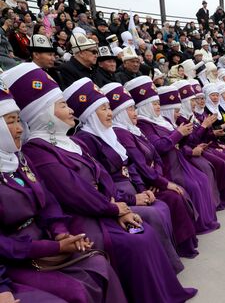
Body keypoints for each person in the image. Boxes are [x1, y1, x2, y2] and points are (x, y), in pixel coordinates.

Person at [3, 63, 198, 303]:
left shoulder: (66, 144)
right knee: (135, 240)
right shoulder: (38, 151)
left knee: (142, 231)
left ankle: (161, 294)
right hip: (84, 217)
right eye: (63, 105)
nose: (71, 111)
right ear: (44, 113)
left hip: (101, 211)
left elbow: (102, 177)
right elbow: (75, 194)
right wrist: (114, 209)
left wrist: (119, 208)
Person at [0, 87, 127, 303]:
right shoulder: (34, 152)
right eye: (10, 121)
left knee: (97, 264)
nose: (20, 128)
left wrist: (59, 232)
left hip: (43, 241)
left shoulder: (17, 160)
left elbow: (47, 199)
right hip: (15, 258)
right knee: (75, 291)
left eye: (18, 120)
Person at [65, 78, 184, 273]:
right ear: (91, 115)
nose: (110, 113)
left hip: (129, 190)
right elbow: (103, 180)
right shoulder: (86, 139)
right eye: (103, 109)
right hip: (116, 198)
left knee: (161, 206)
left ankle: (166, 266)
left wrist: (141, 189)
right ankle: (160, 270)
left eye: (109, 108)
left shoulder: (108, 134)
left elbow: (130, 165)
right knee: (153, 214)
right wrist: (131, 199)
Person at [104, 82, 199, 257]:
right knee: (173, 197)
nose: (136, 113)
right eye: (131, 109)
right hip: (139, 186)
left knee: (178, 193)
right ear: (120, 113)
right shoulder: (122, 133)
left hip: (152, 179)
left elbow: (154, 155)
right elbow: (138, 163)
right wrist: (156, 183)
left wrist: (159, 179)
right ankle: (176, 249)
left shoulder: (134, 129)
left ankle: (182, 245)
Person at [127, 76, 221, 234]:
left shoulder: (162, 120)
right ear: (144, 106)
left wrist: (187, 134)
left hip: (178, 161)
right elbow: (159, 147)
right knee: (192, 185)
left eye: (158, 103)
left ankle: (205, 220)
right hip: (169, 167)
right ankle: (196, 225)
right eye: (154, 104)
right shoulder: (144, 124)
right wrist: (180, 134)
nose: (158, 107)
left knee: (202, 179)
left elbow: (181, 143)